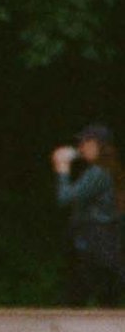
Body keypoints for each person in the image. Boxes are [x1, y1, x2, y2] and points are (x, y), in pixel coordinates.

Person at [52, 122, 125, 306]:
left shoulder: (99, 172)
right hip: (106, 243)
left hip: (94, 245)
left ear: (97, 145)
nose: (81, 147)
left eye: (85, 143)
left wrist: (62, 169)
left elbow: (65, 198)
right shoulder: (107, 169)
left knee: (74, 300)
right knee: (105, 301)